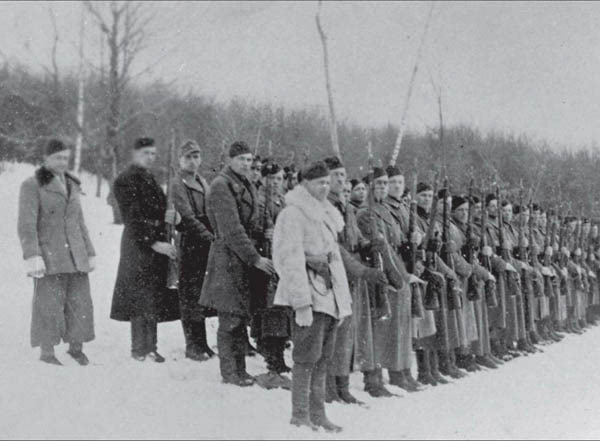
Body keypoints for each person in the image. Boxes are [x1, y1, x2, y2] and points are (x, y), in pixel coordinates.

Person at [272, 161, 354, 432]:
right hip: (309, 295)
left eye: (327, 182)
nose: (325, 187)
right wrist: (301, 303)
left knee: (322, 357)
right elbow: (289, 259)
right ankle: (300, 414)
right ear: (304, 183)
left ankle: (318, 414)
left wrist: (342, 302)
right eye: (320, 182)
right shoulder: (293, 214)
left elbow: (334, 260)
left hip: (329, 295)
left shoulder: (325, 213)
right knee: (306, 357)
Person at [199, 141, 275, 387]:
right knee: (229, 317)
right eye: (241, 159)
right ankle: (230, 372)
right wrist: (255, 258)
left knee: (240, 316)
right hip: (229, 259)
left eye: (249, 159)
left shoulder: (244, 183)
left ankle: (239, 370)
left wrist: (266, 232)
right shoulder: (222, 186)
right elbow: (231, 229)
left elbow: (251, 222)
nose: (246, 163)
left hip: (242, 258)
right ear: (230, 160)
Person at [18, 139, 96, 366]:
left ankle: (76, 347)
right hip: (50, 254)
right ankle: (47, 351)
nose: (63, 162)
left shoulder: (72, 184)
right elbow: (26, 224)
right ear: (46, 159)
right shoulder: (32, 185)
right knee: (49, 304)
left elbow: (80, 222)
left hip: (76, 253)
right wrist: (32, 255)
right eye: (57, 158)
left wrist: (89, 251)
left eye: (65, 158)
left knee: (79, 303)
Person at [110, 137, 181, 363]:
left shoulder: (150, 179)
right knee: (139, 297)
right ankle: (138, 348)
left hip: (155, 244)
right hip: (138, 245)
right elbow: (133, 218)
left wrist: (173, 217)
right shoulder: (125, 180)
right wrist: (154, 243)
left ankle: (151, 346)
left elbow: (160, 210)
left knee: (153, 295)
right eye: (146, 153)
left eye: (153, 153)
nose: (150, 157)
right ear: (134, 154)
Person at [172, 139, 215, 361]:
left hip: (205, 243)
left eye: (196, 156)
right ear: (180, 160)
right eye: (188, 157)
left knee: (200, 294)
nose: (192, 161)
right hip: (190, 243)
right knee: (189, 295)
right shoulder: (177, 184)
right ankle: (192, 345)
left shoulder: (203, 182)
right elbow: (187, 217)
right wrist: (209, 237)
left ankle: (202, 343)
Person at [252, 160, 292, 390]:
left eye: (279, 179)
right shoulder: (259, 200)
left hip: (282, 259)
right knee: (270, 311)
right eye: (271, 179)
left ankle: (278, 356)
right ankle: (272, 359)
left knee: (280, 310)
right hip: (265, 260)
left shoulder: (282, 200)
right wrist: (264, 232)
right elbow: (253, 226)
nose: (275, 183)